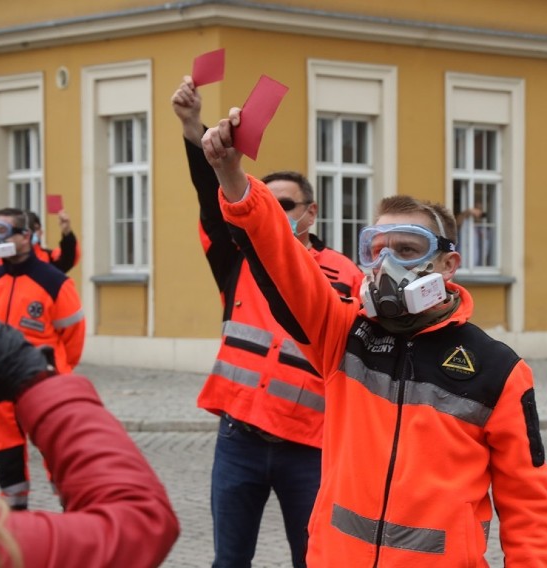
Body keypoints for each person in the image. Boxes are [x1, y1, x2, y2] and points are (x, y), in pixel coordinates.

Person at [201, 108, 547, 566]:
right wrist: (231, 175)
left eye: (408, 249)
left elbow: (527, 506)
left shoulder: (498, 370)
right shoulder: (342, 334)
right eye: (377, 249)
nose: (388, 264)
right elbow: (281, 255)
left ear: (448, 265)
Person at [171, 77, 364, 568]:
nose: (271, 215)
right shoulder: (238, 259)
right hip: (241, 441)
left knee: (315, 560)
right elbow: (210, 196)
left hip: (311, 447)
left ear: (311, 213)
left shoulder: (347, 275)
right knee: (229, 562)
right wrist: (195, 130)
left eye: (284, 207)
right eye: (264, 203)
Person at [0, 301, 179, 568]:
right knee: (11, 475)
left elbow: (73, 331)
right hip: (26, 394)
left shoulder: (51, 280)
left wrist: (62, 365)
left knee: (48, 475)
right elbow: (140, 526)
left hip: (22, 394)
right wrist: (36, 377)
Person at [0, 208, 85, 511]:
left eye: (4, 231)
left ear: (27, 236)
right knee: (8, 465)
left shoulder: (55, 282)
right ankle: (16, 528)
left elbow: (73, 337)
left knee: (58, 454)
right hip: (1, 392)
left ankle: (74, 522)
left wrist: (59, 371)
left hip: (44, 386)